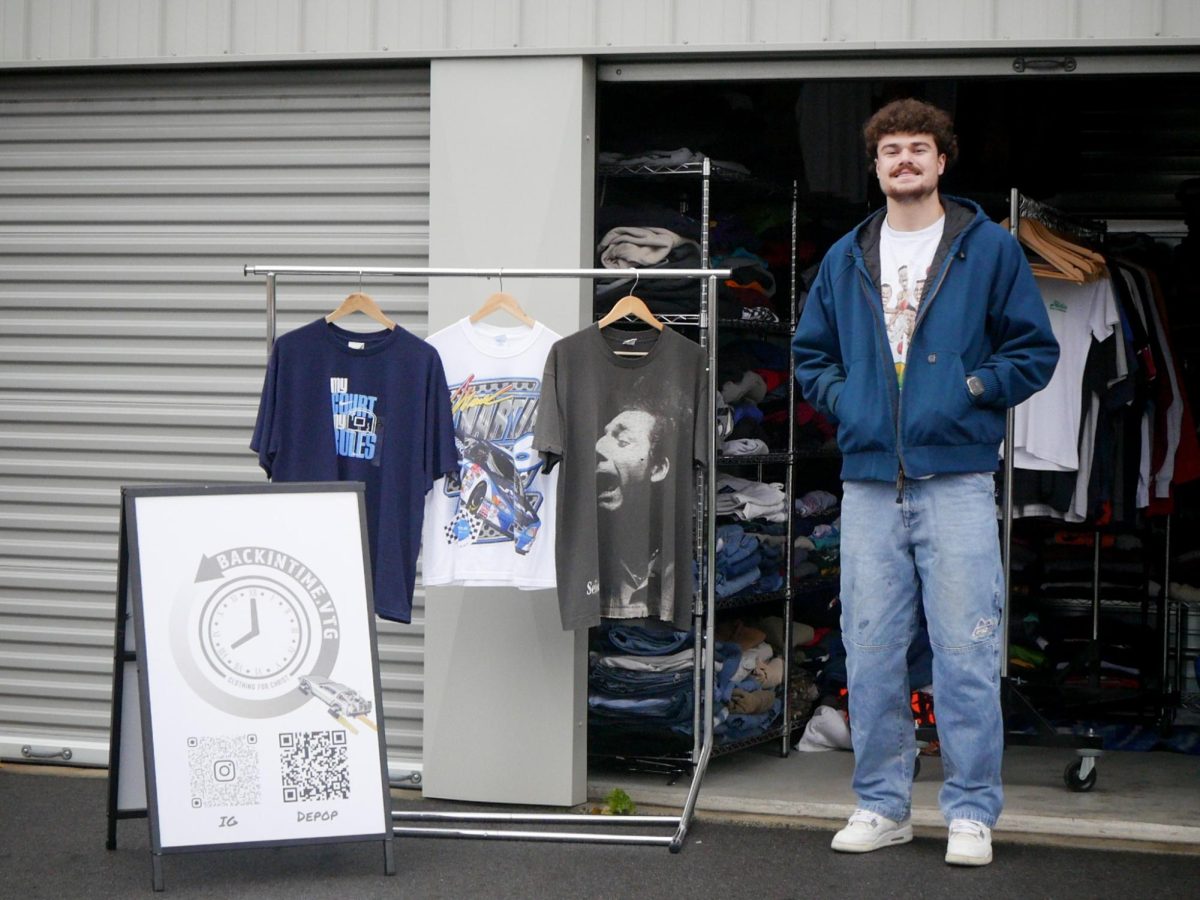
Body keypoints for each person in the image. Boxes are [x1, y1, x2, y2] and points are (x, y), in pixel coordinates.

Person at [791, 98, 1059, 867]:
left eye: (918, 149)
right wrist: (853, 403)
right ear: (876, 168)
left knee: (967, 651)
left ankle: (971, 812)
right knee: (870, 651)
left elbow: (1032, 352)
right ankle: (881, 804)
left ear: (943, 161)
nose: (903, 161)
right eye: (890, 151)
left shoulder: (990, 250)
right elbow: (812, 357)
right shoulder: (846, 256)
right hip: (872, 483)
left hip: (958, 480)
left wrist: (968, 393)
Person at [594, 399, 673, 615]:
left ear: (657, 468)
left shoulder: (674, 567)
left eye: (623, 441)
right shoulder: (590, 553)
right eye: (603, 436)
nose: (598, 447)